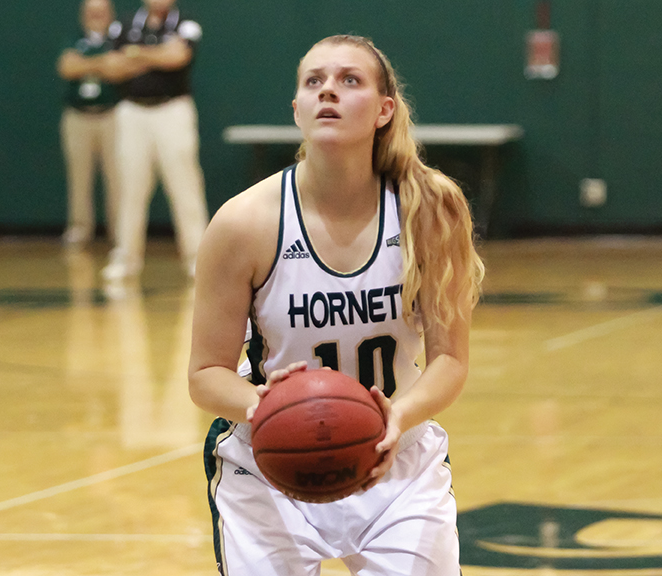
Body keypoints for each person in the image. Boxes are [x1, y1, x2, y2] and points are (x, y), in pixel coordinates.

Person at [188, 35, 485, 576]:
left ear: (383, 109)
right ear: (297, 108)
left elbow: (451, 360)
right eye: (313, 81)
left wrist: (396, 418)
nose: (329, 91)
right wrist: (267, 410)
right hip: (270, 465)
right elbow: (205, 374)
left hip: (398, 460)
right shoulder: (244, 222)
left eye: (350, 80)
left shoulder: (430, 208)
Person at [100, 0, 208, 280]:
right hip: (132, 111)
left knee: (185, 187)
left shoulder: (185, 21)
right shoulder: (123, 24)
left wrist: (135, 55)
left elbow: (178, 57)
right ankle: (125, 258)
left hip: (172, 110)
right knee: (130, 188)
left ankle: (198, 259)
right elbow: (111, 67)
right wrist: (156, 56)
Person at [57, 0, 123, 248]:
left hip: (110, 115)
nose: (96, 16)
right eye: (91, 12)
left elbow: (119, 69)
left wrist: (85, 64)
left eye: (101, 12)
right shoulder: (74, 38)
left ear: (110, 15)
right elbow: (67, 66)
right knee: (79, 177)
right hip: (78, 116)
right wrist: (101, 64)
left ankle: (118, 232)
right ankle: (80, 228)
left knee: (116, 177)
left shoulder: (118, 38)